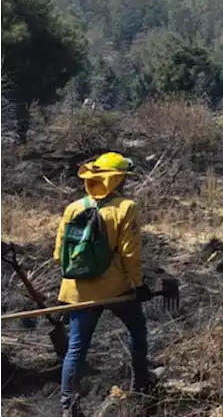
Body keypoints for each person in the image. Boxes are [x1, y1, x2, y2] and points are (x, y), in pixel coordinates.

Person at [56, 152, 149, 417]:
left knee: (76, 348)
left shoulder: (73, 207)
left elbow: (58, 253)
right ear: (117, 179)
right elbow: (131, 253)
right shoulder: (125, 207)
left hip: (76, 290)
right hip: (114, 289)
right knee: (137, 329)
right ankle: (141, 383)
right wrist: (139, 284)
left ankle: (68, 408)